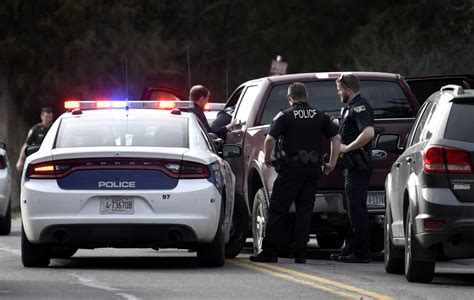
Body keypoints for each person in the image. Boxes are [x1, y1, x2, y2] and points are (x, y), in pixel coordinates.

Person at [249, 82, 341, 264]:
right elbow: (336, 138)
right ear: (306, 97)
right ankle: (301, 254)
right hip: (313, 169)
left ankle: (270, 252)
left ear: (289, 98)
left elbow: (269, 139)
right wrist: (331, 162)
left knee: (277, 209)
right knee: (304, 211)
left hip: (291, 169)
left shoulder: (285, 115)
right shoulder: (320, 115)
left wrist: (268, 157)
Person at [330, 73, 374, 263]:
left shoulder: (360, 107)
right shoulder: (349, 108)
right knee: (353, 209)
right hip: (351, 166)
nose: (338, 93)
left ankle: (362, 253)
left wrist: (347, 148)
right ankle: (350, 248)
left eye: (340, 90)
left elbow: (368, 132)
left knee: (357, 210)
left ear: (348, 89)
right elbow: (348, 128)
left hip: (358, 165)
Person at [16, 107, 54, 172]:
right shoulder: (36, 129)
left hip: (52, 157)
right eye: (46, 117)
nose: (48, 119)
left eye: (50, 117)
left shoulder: (55, 128)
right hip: (39, 157)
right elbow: (26, 145)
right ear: (42, 116)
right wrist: (21, 161)